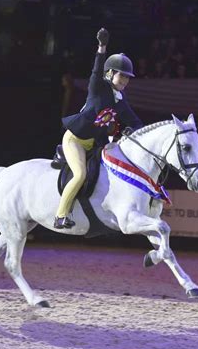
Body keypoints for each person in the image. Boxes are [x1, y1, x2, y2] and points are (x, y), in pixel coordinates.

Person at [54, 27, 143, 229]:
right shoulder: (98, 87)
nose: (125, 81)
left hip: (96, 145)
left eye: (128, 78)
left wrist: (134, 131)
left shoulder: (120, 100)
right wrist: (102, 47)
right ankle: (60, 215)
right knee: (80, 175)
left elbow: (135, 121)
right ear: (110, 73)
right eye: (122, 76)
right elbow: (96, 69)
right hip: (76, 139)